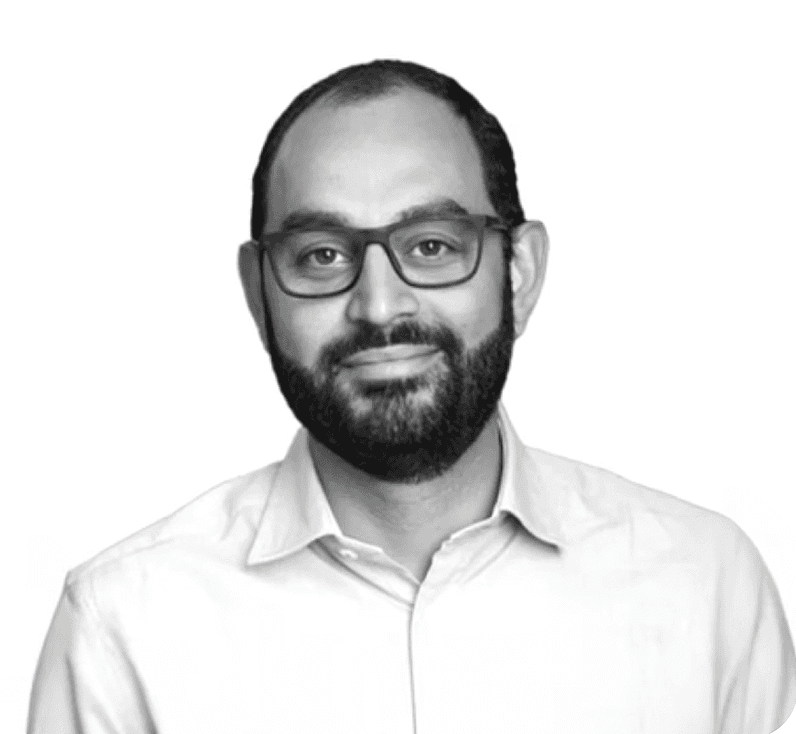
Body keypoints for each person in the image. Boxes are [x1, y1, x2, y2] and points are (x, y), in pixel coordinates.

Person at [28, 59, 795, 734]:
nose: (380, 305)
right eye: (322, 255)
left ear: (518, 273)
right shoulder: (119, 630)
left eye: (432, 246)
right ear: (259, 297)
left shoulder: (707, 586)